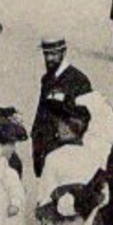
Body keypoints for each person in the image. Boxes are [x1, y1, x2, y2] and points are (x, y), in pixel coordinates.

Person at [32, 37, 93, 177]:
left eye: (54, 54)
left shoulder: (78, 79)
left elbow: (85, 116)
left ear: (64, 52)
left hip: (63, 146)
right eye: (46, 54)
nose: (49, 58)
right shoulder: (47, 78)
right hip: (44, 145)